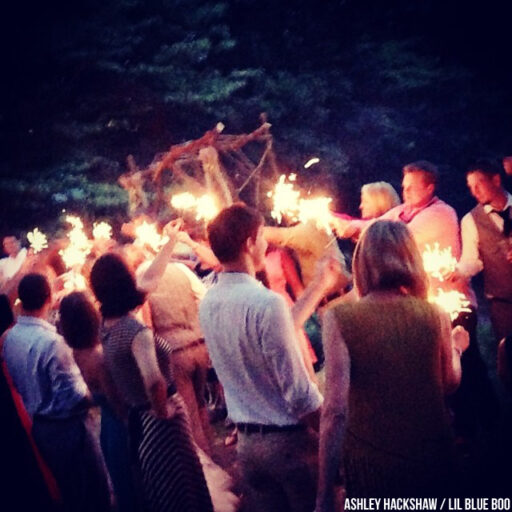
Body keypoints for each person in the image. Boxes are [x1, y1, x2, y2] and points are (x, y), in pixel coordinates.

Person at [316, 221, 469, 510]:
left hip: (372, 466)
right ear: (411, 259)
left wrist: (324, 493)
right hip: (431, 457)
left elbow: (334, 411)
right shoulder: (434, 314)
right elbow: (449, 382)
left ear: (362, 263)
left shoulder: (339, 318)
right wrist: (457, 349)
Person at [199, 203, 339, 512]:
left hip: (249, 449)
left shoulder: (208, 301)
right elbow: (300, 394)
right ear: (250, 243)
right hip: (288, 447)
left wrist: (318, 286)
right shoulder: (266, 302)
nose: (265, 243)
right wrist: (333, 440)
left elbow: (277, 331)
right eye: (261, 236)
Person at [90, 253, 214, 512]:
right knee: (183, 486)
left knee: (166, 489)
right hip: (162, 422)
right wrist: (162, 409)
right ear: (126, 280)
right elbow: (154, 380)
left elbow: (151, 279)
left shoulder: (106, 325)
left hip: (140, 420)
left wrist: (168, 244)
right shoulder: (137, 332)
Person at [2, 273, 111, 512]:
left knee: (71, 494)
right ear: (50, 298)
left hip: (40, 428)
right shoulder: (53, 343)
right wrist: (105, 395)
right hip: (68, 429)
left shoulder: (10, 338)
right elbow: (75, 396)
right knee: (94, 495)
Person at [136, 221, 213, 455]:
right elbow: (204, 298)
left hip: (174, 354)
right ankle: (219, 461)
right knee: (201, 408)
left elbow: (145, 323)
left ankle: (213, 478)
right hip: (198, 346)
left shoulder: (141, 278)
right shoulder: (181, 270)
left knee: (190, 415)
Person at [59, 291, 139, 512]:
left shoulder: (77, 352)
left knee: (124, 485)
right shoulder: (99, 358)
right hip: (121, 429)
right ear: (90, 317)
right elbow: (117, 402)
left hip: (107, 428)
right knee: (135, 483)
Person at [452, 161, 512, 342]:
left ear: (495, 180)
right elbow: (473, 261)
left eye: (478, 185)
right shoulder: (470, 220)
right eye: (471, 187)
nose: (474, 192)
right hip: (502, 304)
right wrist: (458, 271)